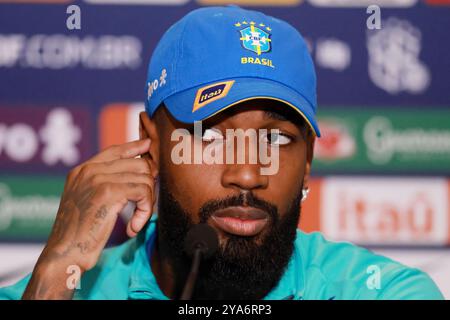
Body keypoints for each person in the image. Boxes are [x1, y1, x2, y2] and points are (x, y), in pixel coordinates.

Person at [0, 5, 443, 300]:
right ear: (152, 147)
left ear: (308, 163)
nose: (247, 174)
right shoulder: (58, 291)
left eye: (275, 140)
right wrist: (58, 272)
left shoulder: (382, 293)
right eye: (209, 136)